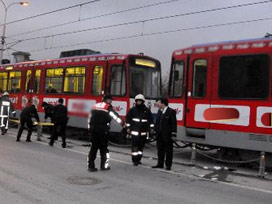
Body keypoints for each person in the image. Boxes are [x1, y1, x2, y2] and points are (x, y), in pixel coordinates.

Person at [87, 95, 124, 172]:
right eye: (111, 100)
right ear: (107, 100)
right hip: (103, 131)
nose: (111, 101)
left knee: (93, 148)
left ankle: (91, 166)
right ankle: (104, 166)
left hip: (94, 130)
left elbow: (89, 119)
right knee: (104, 149)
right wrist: (123, 124)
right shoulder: (108, 107)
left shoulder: (95, 106)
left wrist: (90, 129)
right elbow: (115, 117)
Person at [126, 94, 154, 166]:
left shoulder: (147, 110)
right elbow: (128, 119)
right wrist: (128, 128)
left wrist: (151, 129)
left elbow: (150, 120)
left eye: (140, 101)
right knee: (135, 147)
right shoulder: (132, 110)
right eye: (137, 101)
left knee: (141, 147)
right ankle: (134, 160)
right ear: (135, 101)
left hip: (143, 132)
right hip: (135, 132)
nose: (138, 102)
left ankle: (139, 159)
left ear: (142, 101)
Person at [152, 98, 177, 171]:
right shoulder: (159, 111)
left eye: (159, 102)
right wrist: (155, 132)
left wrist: (173, 134)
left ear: (163, 103)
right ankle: (160, 163)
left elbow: (173, 123)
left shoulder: (171, 111)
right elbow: (157, 122)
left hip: (167, 135)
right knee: (160, 150)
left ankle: (168, 165)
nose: (157, 104)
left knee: (168, 151)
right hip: (159, 135)